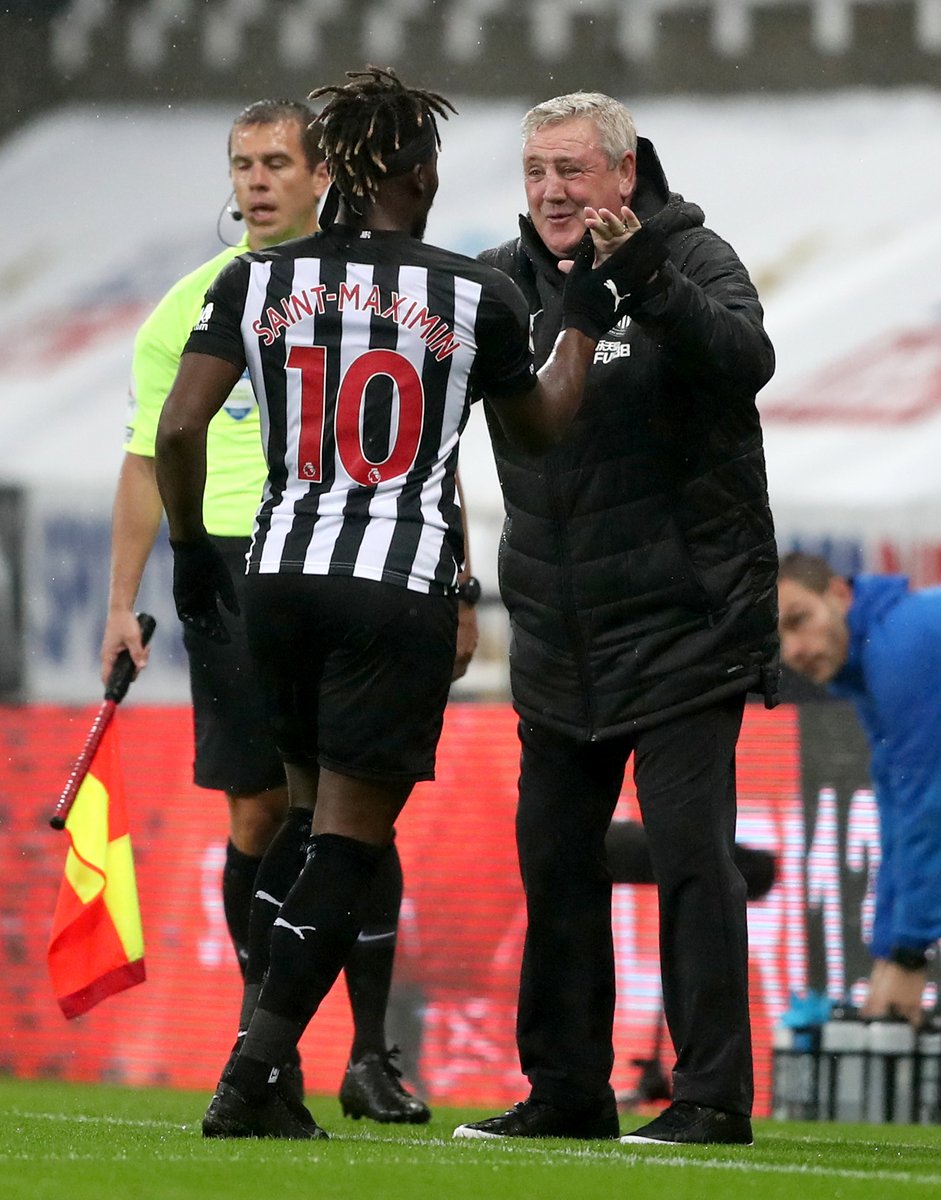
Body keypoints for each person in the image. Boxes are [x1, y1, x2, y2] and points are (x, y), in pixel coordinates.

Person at [153, 66, 648, 1141]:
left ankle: (271, 1072)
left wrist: (189, 550)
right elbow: (538, 431)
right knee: (348, 840)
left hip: (276, 575)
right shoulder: (474, 293)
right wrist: (579, 321)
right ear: (420, 174)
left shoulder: (254, 279)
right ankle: (252, 1075)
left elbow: (180, 428)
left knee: (297, 824)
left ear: (331, 172)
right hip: (394, 586)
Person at [100, 98, 443, 1122]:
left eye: (275, 163)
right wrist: (123, 601)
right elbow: (146, 455)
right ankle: (268, 1049)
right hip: (230, 566)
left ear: (322, 175)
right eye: (241, 164)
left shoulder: (378, 291)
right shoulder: (193, 304)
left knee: (358, 803)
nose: (254, 182)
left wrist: (460, 581)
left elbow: (427, 445)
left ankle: (369, 1054)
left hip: (356, 550)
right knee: (260, 809)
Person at [453, 92, 778, 1147]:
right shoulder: (497, 284)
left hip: (685, 626)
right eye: (535, 171)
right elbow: (431, 423)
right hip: (557, 635)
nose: (550, 191)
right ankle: (566, 1092)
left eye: (571, 170)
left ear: (624, 172)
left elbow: (746, 361)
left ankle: (710, 1097)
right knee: (554, 865)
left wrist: (644, 278)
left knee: (690, 861)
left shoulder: (693, 256)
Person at [777, 551, 941, 1029]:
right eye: (778, 637)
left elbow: (927, 810)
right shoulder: (875, 656)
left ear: (840, 594)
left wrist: (909, 956)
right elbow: (895, 816)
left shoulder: (900, 649)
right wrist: (889, 950)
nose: (793, 651)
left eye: (799, 620)